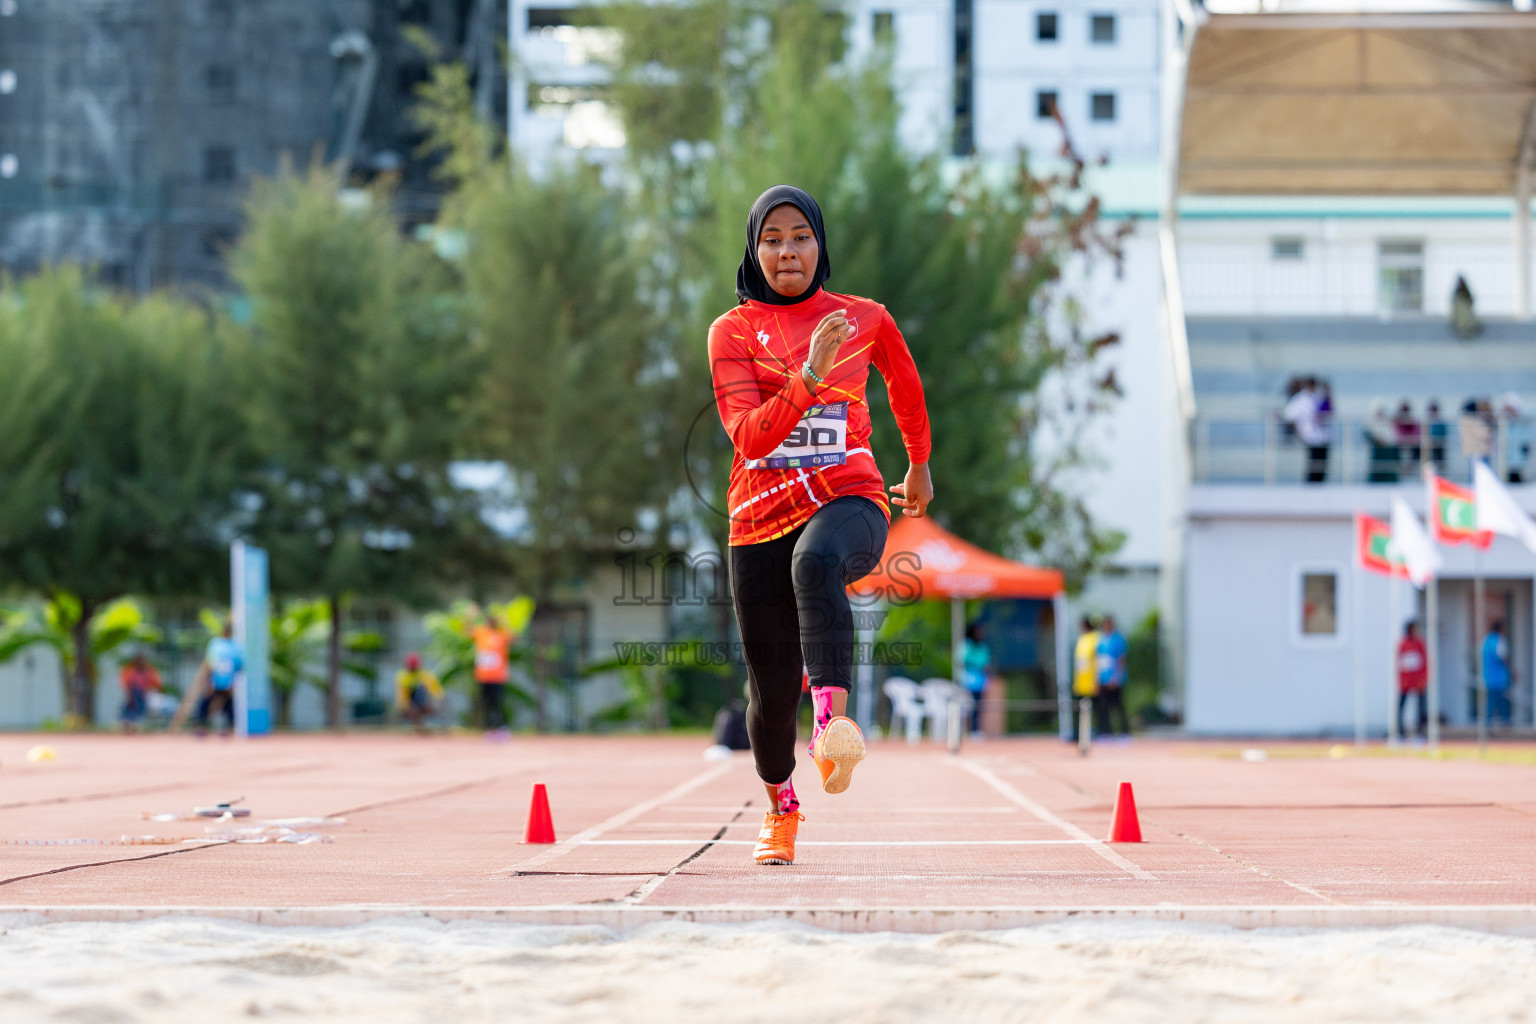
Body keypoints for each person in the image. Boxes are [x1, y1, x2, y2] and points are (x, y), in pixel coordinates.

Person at [710, 184, 933, 866]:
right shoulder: (732, 333)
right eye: (771, 239)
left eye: (800, 236)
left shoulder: (863, 317)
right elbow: (749, 436)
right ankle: (781, 806)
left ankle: (834, 723)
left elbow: (904, 384)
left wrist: (919, 463)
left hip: (852, 499)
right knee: (770, 699)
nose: (787, 251)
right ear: (754, 250)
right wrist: (808, 375)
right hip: (758, 522)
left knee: (817, 563)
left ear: (820, 244)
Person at [195, 622, 243, 737]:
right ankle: (201, 727)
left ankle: (227, 729)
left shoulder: (235, 646)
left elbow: (238, 665)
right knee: (205, 704)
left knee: (228, 706)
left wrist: (233, 682)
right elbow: (209, 662)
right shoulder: (215, 644)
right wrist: (208, 679)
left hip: (227, 681)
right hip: (215, 680)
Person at [1282, 377, 1330, 483]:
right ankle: (1310, 487)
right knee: (1312, 466)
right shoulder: (1299, 400)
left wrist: (1328, 393)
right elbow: (1288, 417)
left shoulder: (1318, 398)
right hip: (1308, 437)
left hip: (1321, 437)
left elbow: (1328, 411)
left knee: (1321, 467)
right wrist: (1297, 434)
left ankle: (1319, 486)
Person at [471, 612, 513, 733]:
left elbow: (514, 636)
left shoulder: (502, 634)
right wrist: (471, 616)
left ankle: (501, 726)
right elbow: (465, 631)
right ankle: (489, 727)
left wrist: (505, 620)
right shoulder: (481, 632)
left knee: (498, 702)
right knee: (485, 702)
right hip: (483, 676)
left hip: (498, 676)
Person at [1096, 615, 1129, 737]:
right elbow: (1099, 659)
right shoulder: (1101, 639)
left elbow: (1121, 659)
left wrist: (1116, 677)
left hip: (1115, 679)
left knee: (1118, 706)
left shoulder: (1118, 639)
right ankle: (1106, 731)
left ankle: (1124, 731)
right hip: (1103, 678)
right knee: (1103, 706)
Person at [395, 652, 444, 735]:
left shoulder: (425, 675)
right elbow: (401, 695)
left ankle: (438, 727)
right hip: (410, 702)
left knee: (429, 705)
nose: (412, 669)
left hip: (423, 701)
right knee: (413, 711)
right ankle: (419, 728)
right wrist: (405, 707)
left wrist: (438, 702)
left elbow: (436, 691)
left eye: (414, 667)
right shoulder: (402, 676)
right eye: (411, 667)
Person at [1396, 620, 1427, 740]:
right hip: (1405, 682)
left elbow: (1424, 662)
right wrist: (1401, 680)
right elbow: (1400, 663)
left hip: (1418, 680)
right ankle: (1400, 733)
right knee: (1401, 707)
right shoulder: (1403, 644)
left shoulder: (1419, 643)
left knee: (1420, 707)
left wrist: (1423, 678)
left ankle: (1419, 732)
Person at [1072, 616, 1101, 741]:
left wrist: (1097, 680)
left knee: (1095, 710)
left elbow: (1097, 660)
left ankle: (1098, 732)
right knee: (1079, 709)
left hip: (1092, 681)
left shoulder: (1095, 638)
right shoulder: (1081, 638)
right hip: (1081, 681)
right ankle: (1078, 734)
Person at [119, 651, 162, 733]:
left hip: (142, 694)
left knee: (137, 709)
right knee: (131, 709)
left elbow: (156, 683)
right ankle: (129, 723)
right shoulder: (130, 671)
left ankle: (132, 723)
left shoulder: (148, 671)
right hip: (133, 693)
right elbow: (126, 684)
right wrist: (128, 694)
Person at [960, 623, 991, 735]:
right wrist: (976, 664)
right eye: (978, 631)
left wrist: (988, 678)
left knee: (978, 706)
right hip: (968, 682)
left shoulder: (982, 647)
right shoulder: (966, 646)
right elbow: (962, 660)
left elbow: (986, 664)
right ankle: (967, 730)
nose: (980, 634)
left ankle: (975, 730)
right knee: (967, 707)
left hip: (980, 682)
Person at [1482, 620, 1512, 727]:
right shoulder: (1498, 640)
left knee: (1492, 700)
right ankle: (1504, 722)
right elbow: (1503, 657)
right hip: (1499, 678)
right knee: (1501, 701)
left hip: (1488, 677)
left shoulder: (1487, 640)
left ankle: (1488, 722)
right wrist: (1511, 670)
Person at [1365, 399, 1400, 483]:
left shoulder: (1387, 422)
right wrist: (1379, 440)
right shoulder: (1370, 423)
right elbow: (1368, 434)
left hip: (1389, 451)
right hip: (1378, 451)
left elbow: (1392, 438)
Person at [1393, 400, 1421, 474]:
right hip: (1401, 444)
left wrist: (1409, 440)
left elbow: (1417, 435)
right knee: (1394, 451)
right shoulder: (1398, 422)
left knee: (1418, 451)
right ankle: (1402, 469)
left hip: (1411, 444)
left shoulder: (1414, 422)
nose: (1405, 413)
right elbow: (1396, 435)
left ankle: (1409, 469)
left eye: (1406, 410)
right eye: (1403, 411)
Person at [1451, 275, 1481, 340]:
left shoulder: (1465, 291)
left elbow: (1470, 301)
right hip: (1460, 313)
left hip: (1466, 312)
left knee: (1466, 320)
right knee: (1462, 321)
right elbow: (1456, 304)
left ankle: (1467, 331)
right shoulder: (1458, 292)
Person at [1426, 400, 1448, 470]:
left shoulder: (1440, 421)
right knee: (1431, 460)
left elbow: (1444, 433)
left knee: (1440, 459)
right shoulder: (1427, 421)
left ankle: (1442, 473)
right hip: (1430, 445)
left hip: (1439, 444)